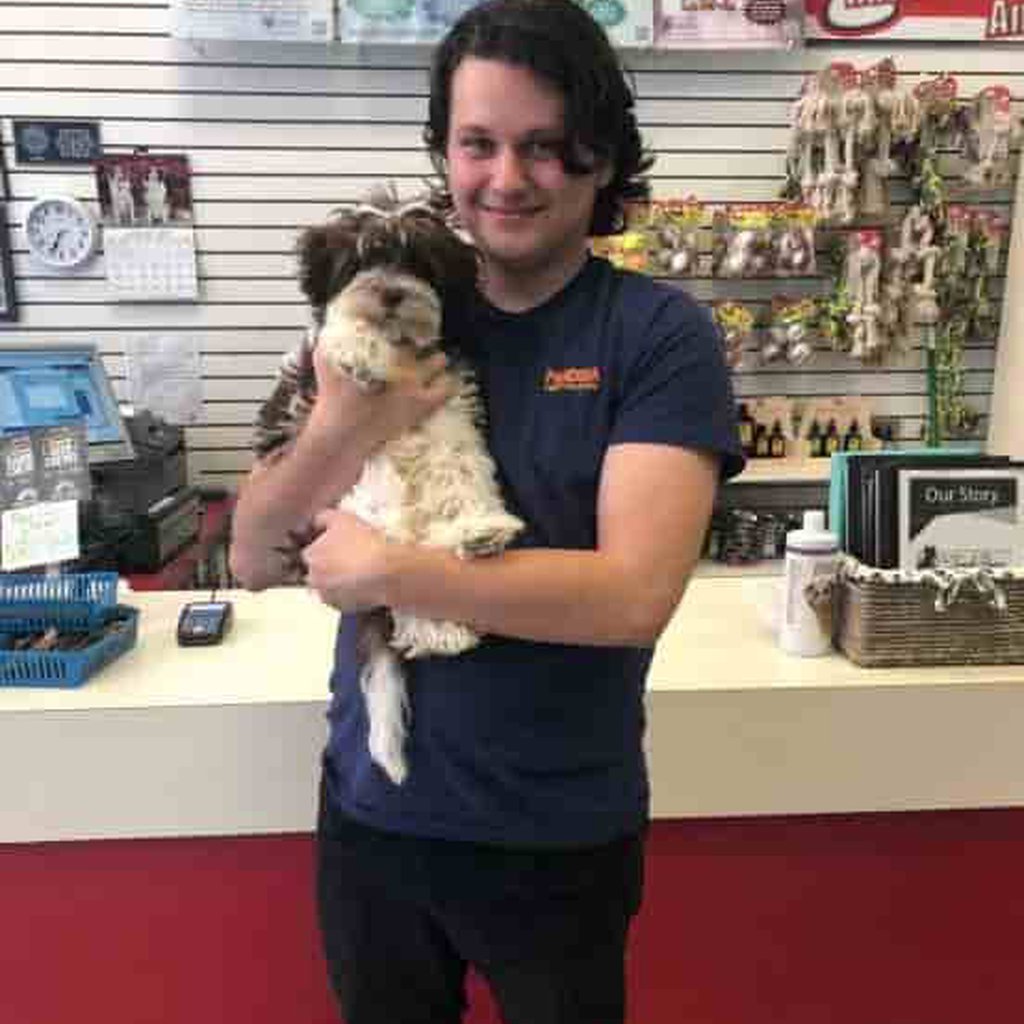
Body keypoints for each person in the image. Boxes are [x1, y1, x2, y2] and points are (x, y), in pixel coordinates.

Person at [228, 0, 744, 1021]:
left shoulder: (655, 335)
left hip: (551, 834)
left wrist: (391, 573)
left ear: (601, 159)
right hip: (375, 814)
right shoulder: (391, 299)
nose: (506, 179)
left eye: (545, 147)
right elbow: (250, 554)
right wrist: (339, 422)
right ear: (444, 151)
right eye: (478, 143)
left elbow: (631, 595)